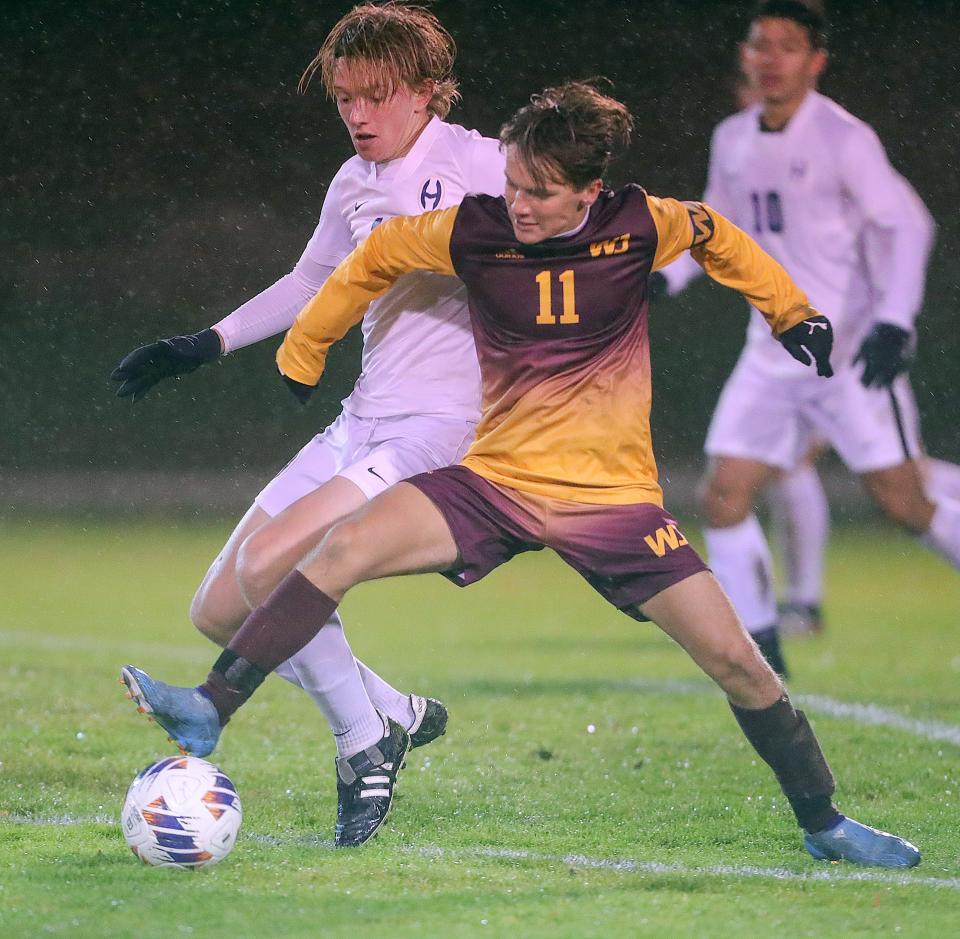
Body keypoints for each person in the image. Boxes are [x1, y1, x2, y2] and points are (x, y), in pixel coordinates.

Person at [122, 80, 920, 868]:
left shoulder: (640, 223)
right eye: (510, 183)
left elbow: (718, 235)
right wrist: (307, 346)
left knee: (739, 661)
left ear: (590, 192)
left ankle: (825, 822)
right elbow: (377, 256)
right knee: (340, 550)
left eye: (539, 192)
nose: (518, 204)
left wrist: (793, 313)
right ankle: (211, 707)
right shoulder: (477, 230)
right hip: (495, 482)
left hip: (612, 502)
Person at [112, 2, 506, 847]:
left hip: (435, 431)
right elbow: (307, 281)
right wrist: (203, 343)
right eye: (343, 100)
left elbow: (571, 224)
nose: (358, 116)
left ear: (427, 92)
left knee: (269, 563)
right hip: (359, 420)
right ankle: (390, 709)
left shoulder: (484, 164)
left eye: (374, 96)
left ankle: (362, 741)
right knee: (219, 608)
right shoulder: (353, 181)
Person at [656, 0, 960, 673]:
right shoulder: (732, 138)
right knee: (724, 494)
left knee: (904, 502)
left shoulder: (845, 138)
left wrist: (893, 320)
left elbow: (904, 227)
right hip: (771, 351)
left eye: (787, 47)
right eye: (760, 45)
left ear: (816, 61)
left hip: (846, 355)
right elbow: (712, 228)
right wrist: (664, 277)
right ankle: (759, 653)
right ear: (745, 55)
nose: (770, 59)